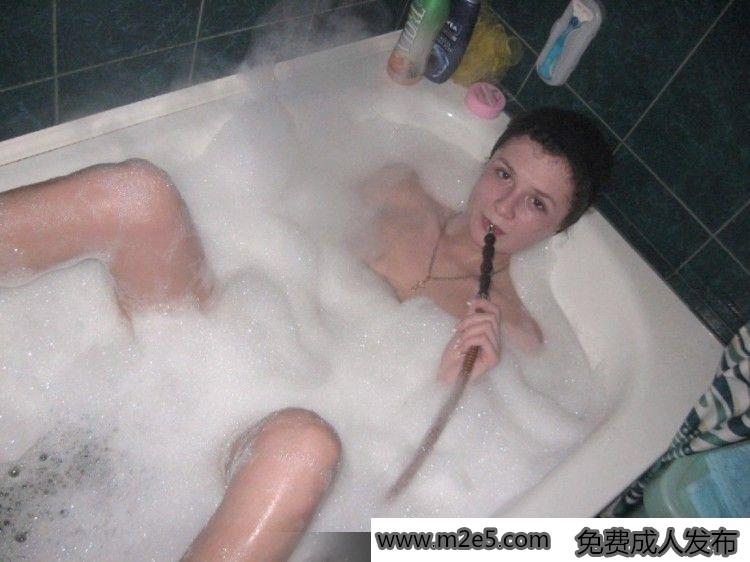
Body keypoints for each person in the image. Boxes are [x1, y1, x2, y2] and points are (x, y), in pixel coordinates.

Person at [0, 107, 611, 560]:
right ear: (485, 163)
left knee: (304, 448)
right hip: (213, 338)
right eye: (504, 174)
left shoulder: (511, 336)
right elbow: (273, 213)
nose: (505, 206)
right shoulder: (395, 187)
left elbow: (414, 488)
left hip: (264, 439)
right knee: (139, 195)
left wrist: (452, 384)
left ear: (559, 228)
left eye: (537, 204)